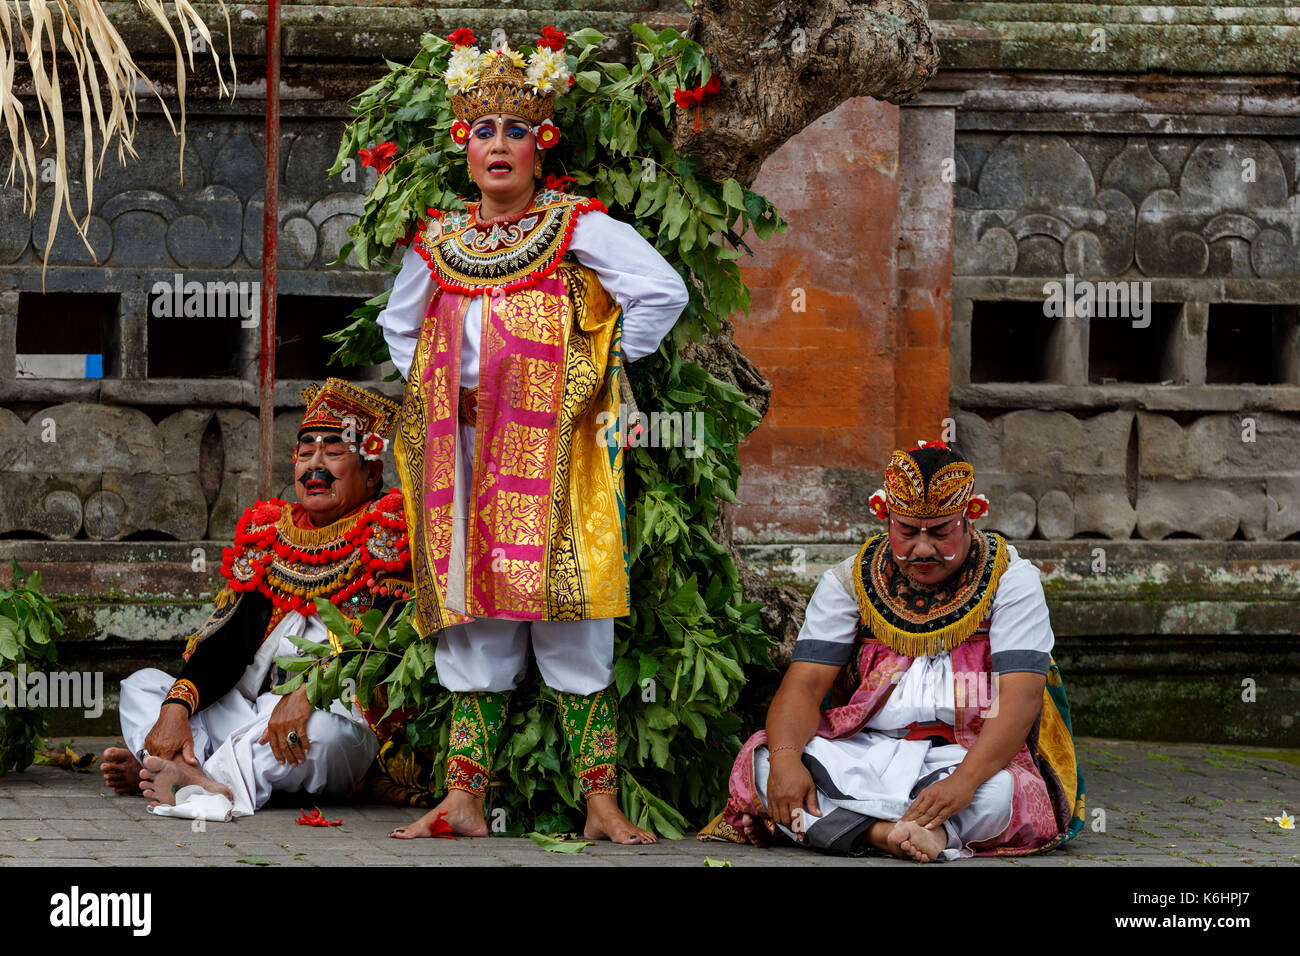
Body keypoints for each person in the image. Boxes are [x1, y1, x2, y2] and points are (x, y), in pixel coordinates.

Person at [375, 27, 688, 843]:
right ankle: (465, 799)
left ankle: (600, 804)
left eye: (517, 130)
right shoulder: (439, 243)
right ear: (464, 147)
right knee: (473, 613)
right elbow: (398, 326)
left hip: (560, 452)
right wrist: (449, 396)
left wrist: (587, 377)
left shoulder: (578, 227)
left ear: (540, 144)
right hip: (468, 450)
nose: (500, 145)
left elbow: (661, 292)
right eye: (485, 131)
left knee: (572, 610)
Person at [715, 440, 1084, 860]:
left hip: (969, 756)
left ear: (971, 517)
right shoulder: (848, 581)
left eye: (941, 532)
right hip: (866, 750)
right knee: (764, 761)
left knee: (1004, 793)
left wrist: (963, 782)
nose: (922, 549)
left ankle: (861, 827)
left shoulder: (1013, 581)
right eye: (906, 532)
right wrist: (785, 762)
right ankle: (894, 834)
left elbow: (1021, 696)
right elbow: (804, 683)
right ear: (884, 517)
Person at [100, 378, 412, 818]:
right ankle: (177, 768)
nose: (314, 467)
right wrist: (175, 707)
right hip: (251, 709)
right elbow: (227, 641)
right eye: (305, 454)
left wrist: (311, 691)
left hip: (329, 715)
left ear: (372, 472)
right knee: (143, 687)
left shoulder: (390, 536)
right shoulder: (270, 538)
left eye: (334, 453)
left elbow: (388, 644)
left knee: (328, 735)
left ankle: (191, 779)